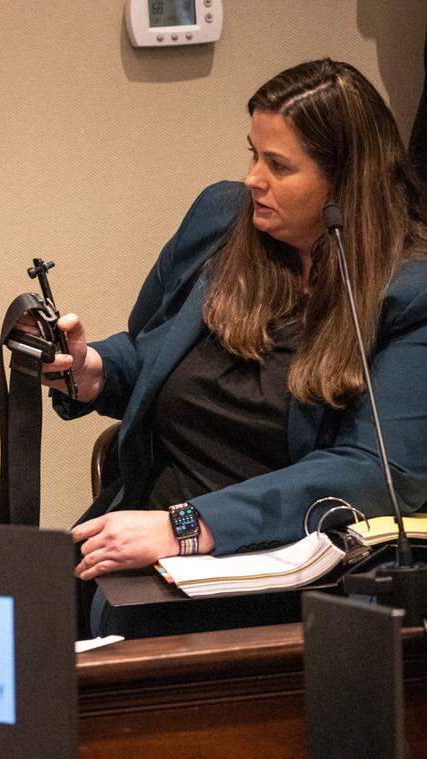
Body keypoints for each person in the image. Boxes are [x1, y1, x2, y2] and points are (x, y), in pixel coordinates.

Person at [39, 59, 427, 638]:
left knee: (113, 629)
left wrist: (186, 527)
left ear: (346, 183)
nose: (252, 179)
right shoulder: (221, 220)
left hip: (285, 568)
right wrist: (94, 369)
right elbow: (153, 353)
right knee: (16, 602)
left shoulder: (409, 293)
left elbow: (374, 473)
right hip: (146, 538)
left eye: (278, 165)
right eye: (253, 154)